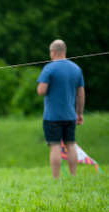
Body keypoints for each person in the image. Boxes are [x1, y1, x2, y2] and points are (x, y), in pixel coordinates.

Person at [37, 39, 85, 179]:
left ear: (53, 52)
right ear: (64, 51)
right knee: (71, 144)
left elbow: (41, 91)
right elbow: (81, 93)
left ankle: (56, 178)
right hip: (71, 115)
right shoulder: (76, 68)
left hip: (52, 116)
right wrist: (79, 113)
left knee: (55, 146)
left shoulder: (49, 68)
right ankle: (73, 176)